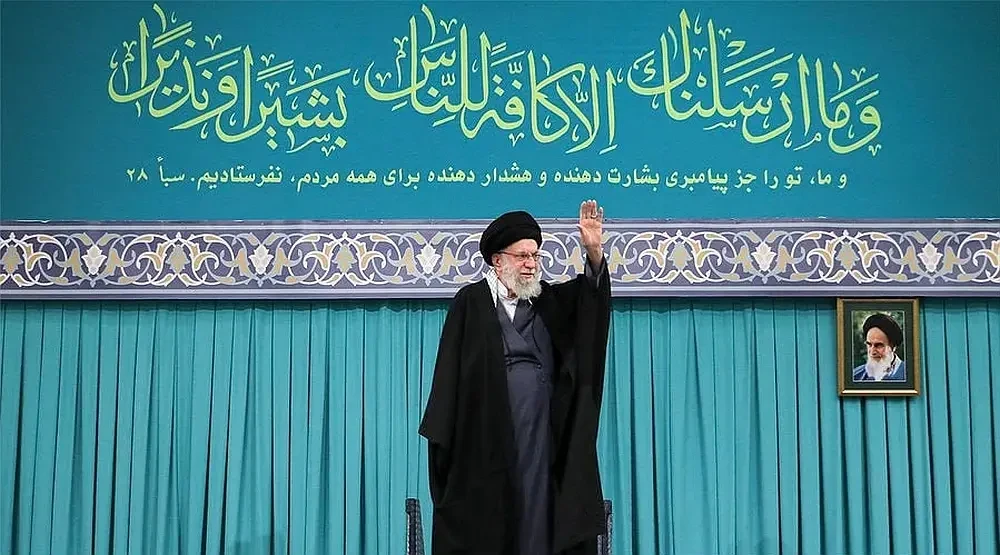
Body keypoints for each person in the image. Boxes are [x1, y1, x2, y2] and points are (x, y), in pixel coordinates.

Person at [419, 200, 612, 555]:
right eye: (523, 256)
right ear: (498, 260)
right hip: (487, 445)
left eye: (535, 256)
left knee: (538, 520)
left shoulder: (547, 300)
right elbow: (449, 380)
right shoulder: (470, 303)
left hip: (542, 440)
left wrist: (594, 253)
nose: (531, 264)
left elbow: (591, 303)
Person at [852, 312, 907, 382]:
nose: (872, 352)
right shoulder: (855, 376)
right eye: (869, 344)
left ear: (893, 346)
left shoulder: (910, 375)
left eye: (878, 345)